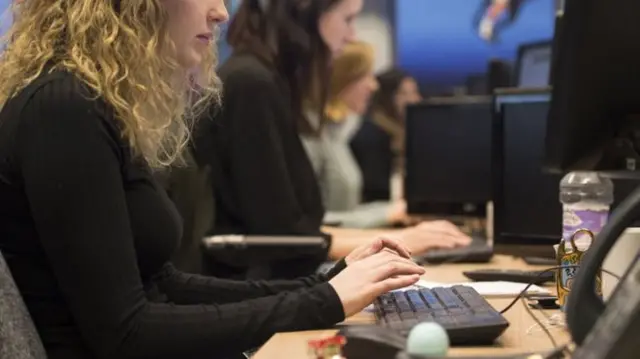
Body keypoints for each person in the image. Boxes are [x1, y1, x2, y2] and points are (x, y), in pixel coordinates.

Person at [0, 1, 426, 358]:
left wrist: (323, 284)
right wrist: (322, 302)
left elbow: (164, 283)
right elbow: (125, 332)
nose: (221, 12)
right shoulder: (63, 110)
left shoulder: (94, 106)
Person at [193, 0, 470, 280]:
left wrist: (391, 239)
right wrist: (395, 240)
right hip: (259, 298)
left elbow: (299, 232)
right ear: (305, 15)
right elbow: (283, 239)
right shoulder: (251, 84)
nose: (351, 36)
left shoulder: (266, 82)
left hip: (271, 292)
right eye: (348, 20)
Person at [350, 68, 421, 203]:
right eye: (404, 94)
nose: (414, 100)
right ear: (386, 97)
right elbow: (376, 190)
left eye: (415, 92)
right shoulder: (371, 136)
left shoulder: (402, 134)